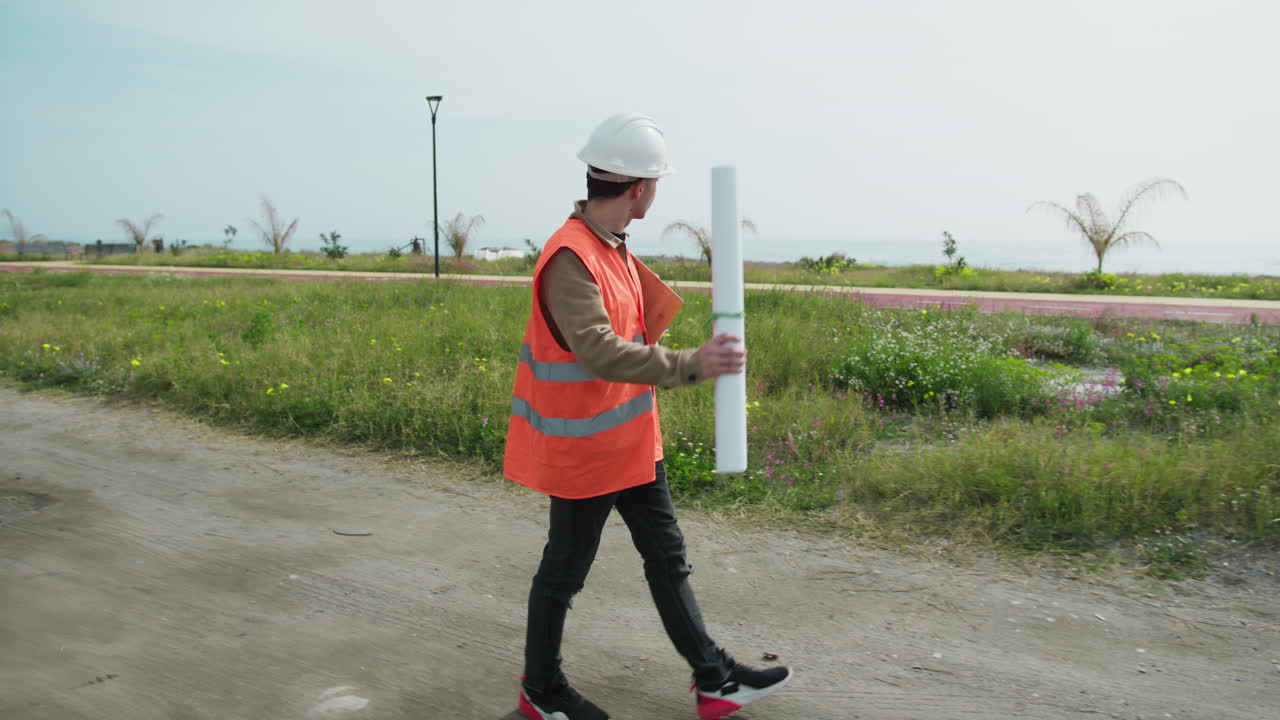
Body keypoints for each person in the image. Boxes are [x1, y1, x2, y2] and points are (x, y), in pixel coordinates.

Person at [504, 113, 791, 720]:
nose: (657, 192)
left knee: (667, 556)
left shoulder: (610, 246)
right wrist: (694, 363)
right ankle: (542, 691)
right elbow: (598, 349)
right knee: (563, 572)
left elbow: (631, 324)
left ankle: (714, 678)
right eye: (656, 181)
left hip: (632, 441)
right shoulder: (569, 257)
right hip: (585, 453)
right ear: (639, 188)